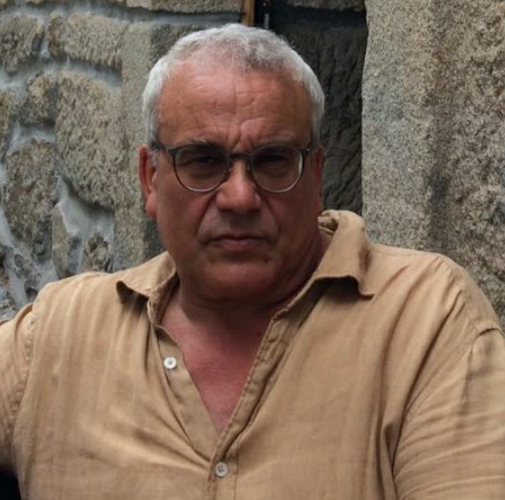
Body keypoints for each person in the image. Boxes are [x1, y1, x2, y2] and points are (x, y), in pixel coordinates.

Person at [0, 23, 504, 500]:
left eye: (272, 161)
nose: (239, 197)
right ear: (150, 178)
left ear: (316, 175)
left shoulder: (426, 321)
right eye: (203, 161)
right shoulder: (58, 336)